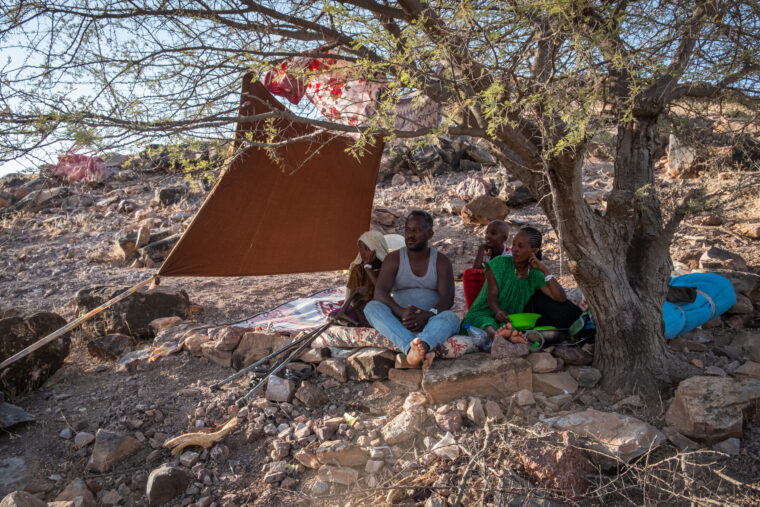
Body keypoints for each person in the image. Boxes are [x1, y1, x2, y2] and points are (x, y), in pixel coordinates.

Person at [363, 210, 460, 368]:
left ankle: (421, 346)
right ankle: (412, 348)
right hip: (399, 318)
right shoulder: (393, 259)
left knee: (451, 318)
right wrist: (400, 311)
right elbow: (380, 292)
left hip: (431, 319)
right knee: (372, 308)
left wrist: (428, 314)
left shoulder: (441, 261)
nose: (409, 235)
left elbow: (447, 299)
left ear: (429, 234)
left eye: (416, 230)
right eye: (407, 230)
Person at [461, 226, 578, 344]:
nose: (514, 249)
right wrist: (497, 311)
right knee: (487, 323)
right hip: (484, 312)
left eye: (520, 246)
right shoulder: (499, 264)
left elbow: (560, 297)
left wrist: (545, 270)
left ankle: (506, 337)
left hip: (508, 320)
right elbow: (491, 295)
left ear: (534, 251)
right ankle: (499, 338)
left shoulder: (535, 275)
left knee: (510, 328)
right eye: (514, 244)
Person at [343, 231, 389, 326]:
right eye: (360, 248)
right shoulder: (358, 269)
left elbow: (383, 292)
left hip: (381, 308)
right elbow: (352, 299)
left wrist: (368, 268)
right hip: (358, 309)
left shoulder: (388, 267)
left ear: (377, 249)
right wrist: (361, 316)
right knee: (334, 316)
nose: (362, 253)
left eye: (367, 248)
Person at [463, 220, 511, 308]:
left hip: (502, 292)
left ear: (504, 238)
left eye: (493, 233)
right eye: (486, 233)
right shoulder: (487, 255)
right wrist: (481, 250)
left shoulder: (509, 255)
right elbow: (474, 273)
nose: (488, 236)